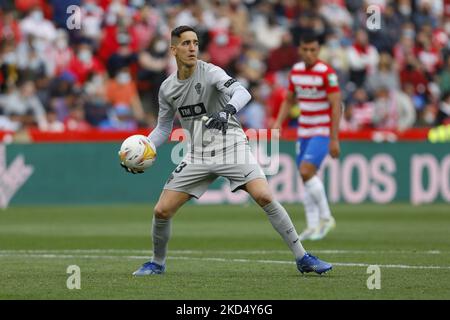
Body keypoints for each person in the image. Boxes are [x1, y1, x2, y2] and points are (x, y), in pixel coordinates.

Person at [120, 26, 332, 276]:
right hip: (197, 154)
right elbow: (164, 127)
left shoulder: (210, 72)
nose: (192, 48)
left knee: (264, 196)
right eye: (186, 43)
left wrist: (227, 110)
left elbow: (242, 92)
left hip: (232, 146)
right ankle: (157, 263)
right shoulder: (167, 88)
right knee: (161, 210)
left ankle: (303, 257)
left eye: (195, 43)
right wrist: (146, 147)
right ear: (173, 49)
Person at [273, 34, 342, 241]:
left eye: (313, 50)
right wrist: (278, 122)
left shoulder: (326, 73)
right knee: (306, 178)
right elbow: (289, 100)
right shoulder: (296, 71)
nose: (310, 54)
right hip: (303, 131)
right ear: (300, 50)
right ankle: (312, 226)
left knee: (306, 171)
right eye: (306, 50)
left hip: (321, 131)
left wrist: (334, 138)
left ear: (318, 50)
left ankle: (327, 217)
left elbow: (336, 106)